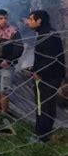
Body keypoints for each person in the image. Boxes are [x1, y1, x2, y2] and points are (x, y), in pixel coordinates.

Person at [26, 10, 65, 142]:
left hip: (45, 78)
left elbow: (49, 59)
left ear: (39, 21)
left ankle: (41, 136)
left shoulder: (45, 36)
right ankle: (44, 134)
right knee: (47, 105)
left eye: (31, 20)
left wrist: (38, 72)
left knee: (43, 106)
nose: (29, 22)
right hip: (54, 76)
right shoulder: (51, 33)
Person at [0, 9, 24, 114]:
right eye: (1, 18)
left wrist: (8, 61)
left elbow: (19, 48)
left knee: (4, 90)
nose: (4, 21)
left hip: (7, 66)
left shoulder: (13, 32)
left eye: (5, 18)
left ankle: (4, 112)